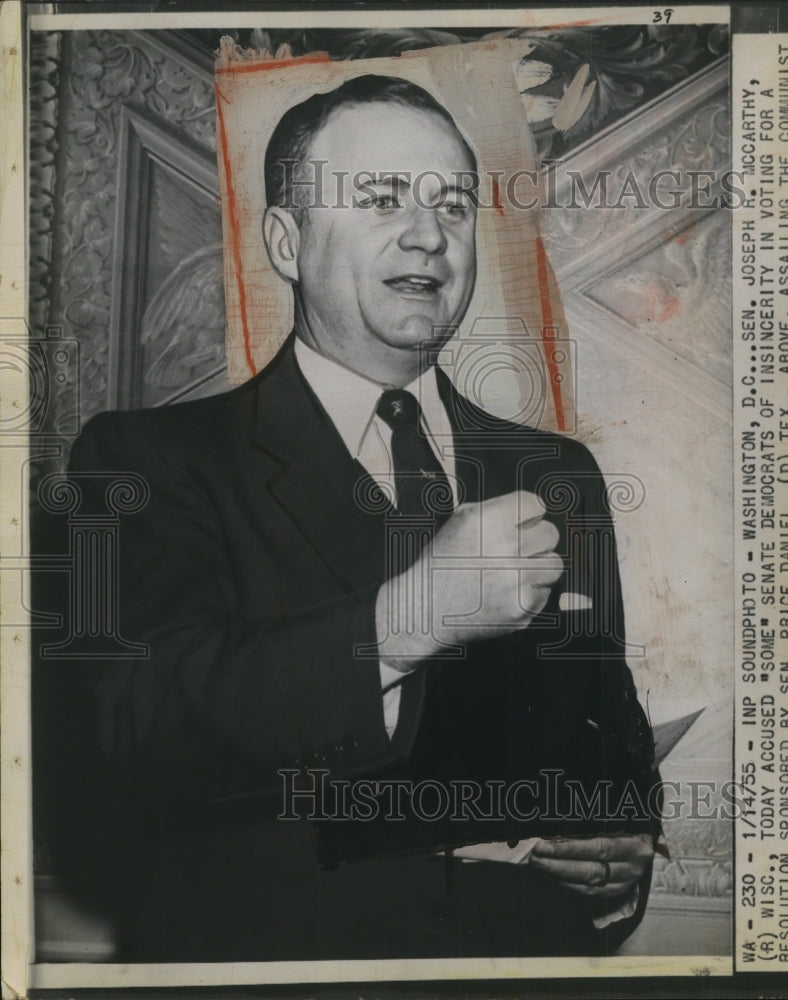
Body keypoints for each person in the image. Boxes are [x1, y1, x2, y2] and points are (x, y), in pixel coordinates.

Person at [48, 74, 659, 962]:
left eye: (452, 205)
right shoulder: (143, 460)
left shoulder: (555, 472)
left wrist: (619, 853)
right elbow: (132, 739)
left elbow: (611, 739)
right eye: (379, 199)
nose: (428, 234)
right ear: (287, 241)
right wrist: (415, 615)